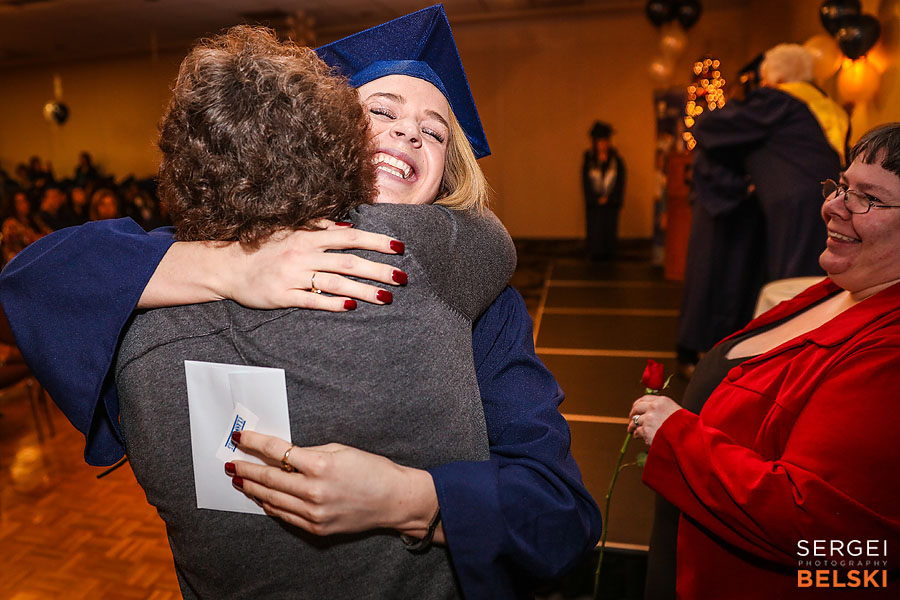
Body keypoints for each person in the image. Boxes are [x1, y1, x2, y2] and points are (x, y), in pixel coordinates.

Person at [0, 7, 600, 599]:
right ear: (324, 134)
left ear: (446, 175)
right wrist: (232, 264)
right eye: (382, 111)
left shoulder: (480, 302)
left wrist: (410, 500)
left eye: (435, 131)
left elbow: (561, 516)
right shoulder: (201, 257)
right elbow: (36, 278)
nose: (410, 132)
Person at [632, 123, 900, 599]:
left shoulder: (890, 350)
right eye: (841, 186)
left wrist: (677, 437)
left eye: (868, 199)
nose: (832, 206)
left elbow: (826, 535)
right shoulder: (837, 288)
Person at [676, 43, 849, 371]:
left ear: (776, 77)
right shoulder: (824, 106)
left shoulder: (776, 100)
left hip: (795, 207)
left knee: (793, 288)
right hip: (824, 201)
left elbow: (706, 127)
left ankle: (784, 365)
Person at [582, 120, 626, 261]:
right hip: (595, 207)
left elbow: (620, 182)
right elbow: (585, 183)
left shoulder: (616, 161)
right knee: (595, 235)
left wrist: (610, 198)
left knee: (609, 234)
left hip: (610, 206)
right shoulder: (589, 160)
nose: (603, 145)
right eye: (600, 142)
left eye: (605, 141)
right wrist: (595, 199)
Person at [1, 190, 46, 264]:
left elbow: (48, 233)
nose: (24, 204)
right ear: (13, 205)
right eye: (20, 202)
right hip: (21, 262)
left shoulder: (34, 219)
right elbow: (30, 240)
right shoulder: (10, 224)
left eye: (25, 201)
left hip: (39, 257)